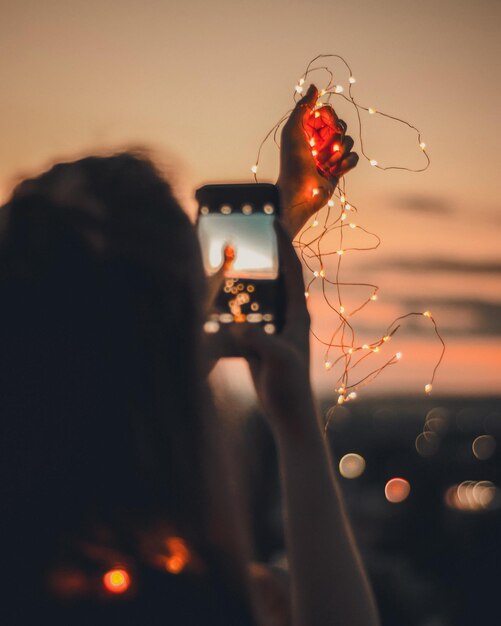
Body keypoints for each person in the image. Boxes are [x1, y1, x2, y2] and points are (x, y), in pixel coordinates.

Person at [0, 85, 378, 625]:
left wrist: (270, 232)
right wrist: (296, 424)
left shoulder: (35, 552)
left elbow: (124, 365)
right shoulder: (159, 601)